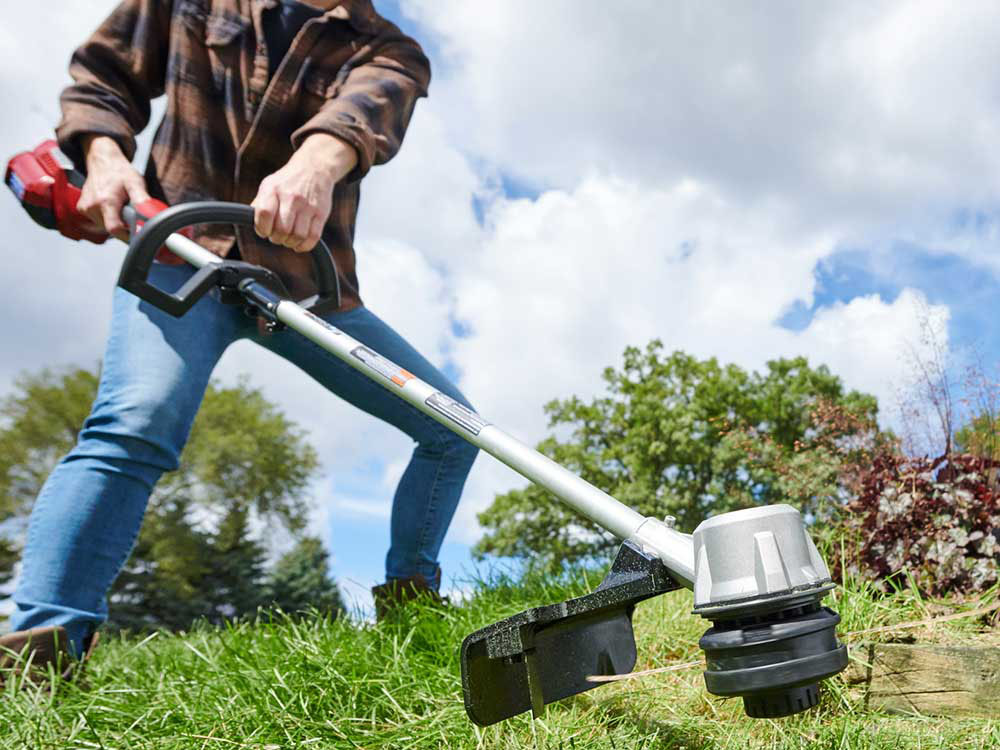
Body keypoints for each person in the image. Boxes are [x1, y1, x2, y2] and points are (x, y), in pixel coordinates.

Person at [0, 0, 477, 677]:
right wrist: (104, 158)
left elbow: (361, 117)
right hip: (179, 257)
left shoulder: (390, 49)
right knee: (136, 420)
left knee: (452, 427)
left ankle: (411, 612)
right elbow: (104, 78)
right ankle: (41, 655)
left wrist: (316, 165)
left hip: (303, 286)